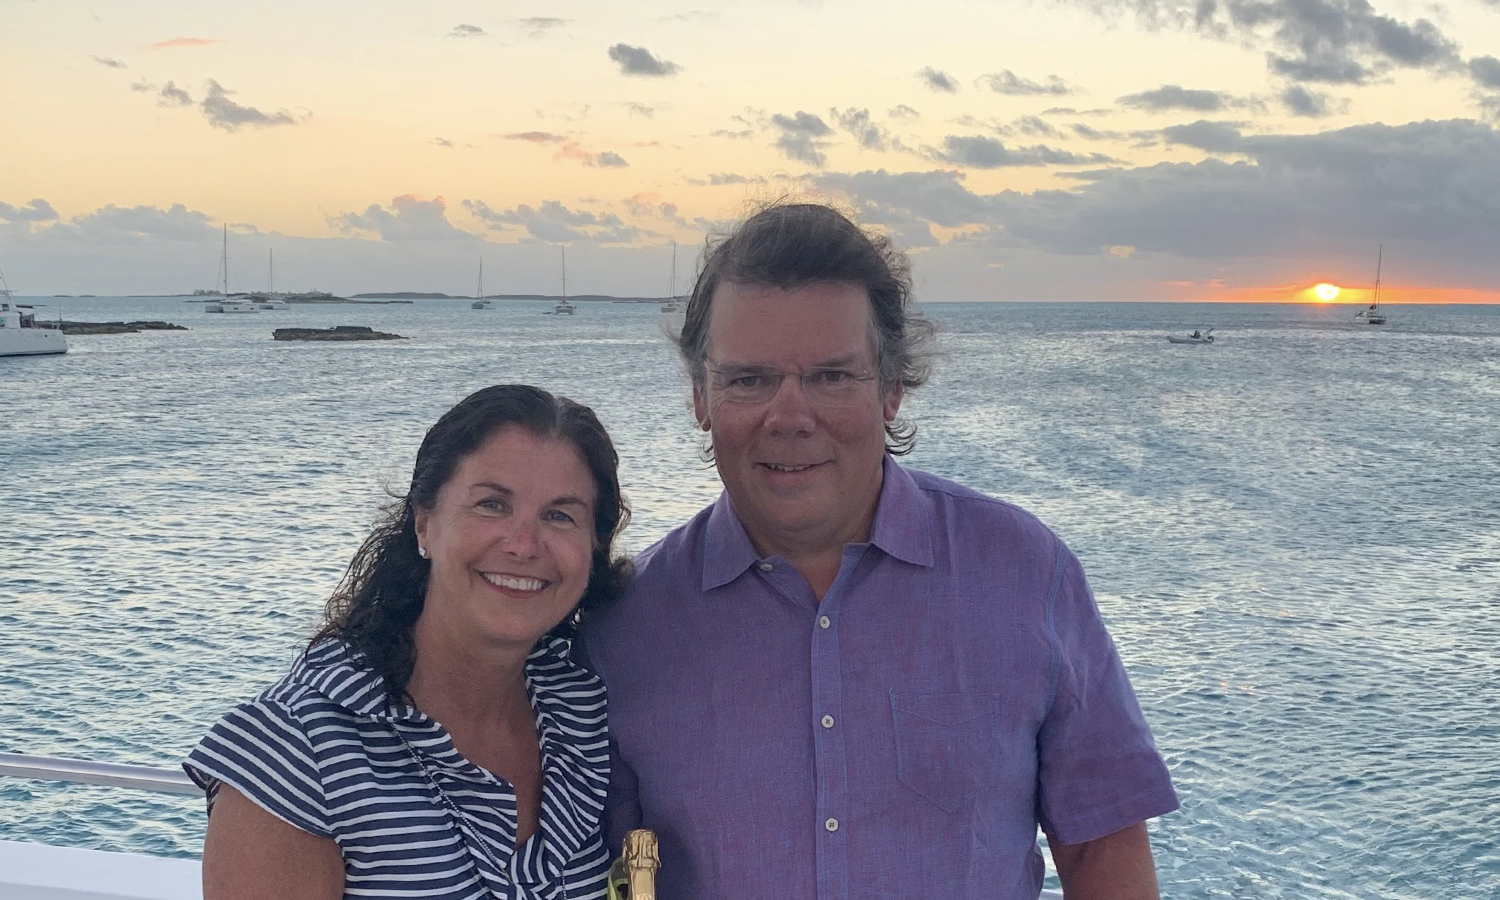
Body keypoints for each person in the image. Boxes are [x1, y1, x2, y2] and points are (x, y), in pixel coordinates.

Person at [579, 203, 1179, 900]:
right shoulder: (626, 624)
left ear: (892, 388)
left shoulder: (1024, 574)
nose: (791, 416)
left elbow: (1103, 846)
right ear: (700, 398)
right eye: (749, 379)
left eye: (832, 377)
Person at [185, 385, 631, 900]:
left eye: (560, 515)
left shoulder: (578, 711)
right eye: (492, 504)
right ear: (424, 523)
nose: (524, 545)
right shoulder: (300, 750)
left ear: (592, 547)